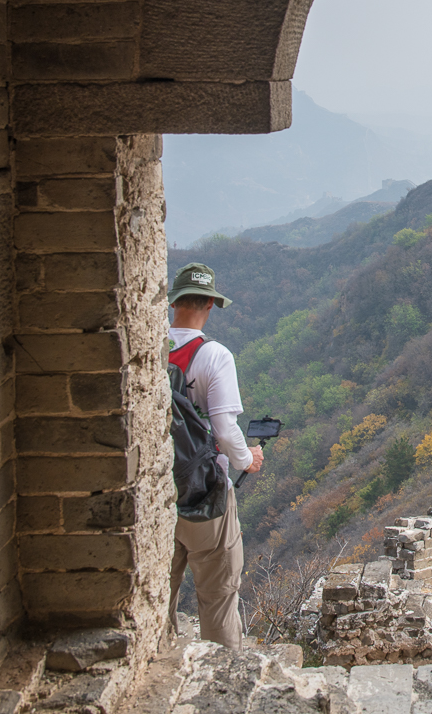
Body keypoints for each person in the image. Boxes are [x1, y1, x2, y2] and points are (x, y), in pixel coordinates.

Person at [166, 261, 263, 649]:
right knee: (218, 595)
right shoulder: (213, 355)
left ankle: (154, 662)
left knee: (157, 592)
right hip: (203, 494)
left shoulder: (149, 346)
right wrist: (247, 460)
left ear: (174, 303)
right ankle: (225, 684)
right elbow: (224, 431)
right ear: (209, 304)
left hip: (156, 491)